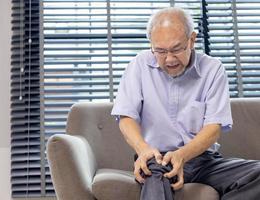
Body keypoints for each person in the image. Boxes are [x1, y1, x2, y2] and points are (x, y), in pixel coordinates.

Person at [111, 7, 260, 200]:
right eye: (161, 51)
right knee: (155, 176)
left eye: (176, 49)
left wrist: (182, 155)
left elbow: (213, 127)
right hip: (157, 159)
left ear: (192, 39)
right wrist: (144, 150)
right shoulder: (138, 66)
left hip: (203, 160)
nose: (170, 59)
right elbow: (126, 117)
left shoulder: (213, 70)